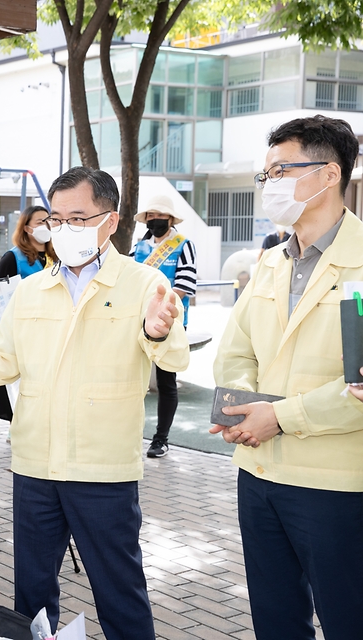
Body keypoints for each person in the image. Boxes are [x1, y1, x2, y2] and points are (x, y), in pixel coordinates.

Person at [0, 166, 189, 639]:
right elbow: (0, 362)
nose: (64, 229)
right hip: (35, 468)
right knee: (31, 593)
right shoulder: (32, 289)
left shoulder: (144, 284)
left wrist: (157, 330)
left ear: (112, 219)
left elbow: (175, 356)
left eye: (79, 218)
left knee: (119, 591)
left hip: (101, 470)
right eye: (58, 219)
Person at [210, 115, 363, 640]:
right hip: (258, 475)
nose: (269, 184)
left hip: (335, 484)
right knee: (275, 621)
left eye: (281, 170)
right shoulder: (271, 262)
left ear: (327, 175)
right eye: (266, 174)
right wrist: (242, 410)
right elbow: (235, 351)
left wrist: (280, 415)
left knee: (348, 618)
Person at [130, 193, 197, 458]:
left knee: (166, 380)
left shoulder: (183, 244)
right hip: (137, 321)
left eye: (160, 216)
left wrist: (161, 308)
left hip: (170, 322)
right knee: (132, 378)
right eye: (150, 216)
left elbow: (186, 285)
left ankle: (161, 439)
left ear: (171, 219)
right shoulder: (139, 247)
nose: (155, 220)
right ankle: (132, 434)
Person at [0, 204, 56, 421]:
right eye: (40, 222)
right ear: (27, 229)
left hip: (53, 331)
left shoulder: (57, 257)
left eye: (49, 220)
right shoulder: (13, 258)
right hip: (23, 333)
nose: (46, 225)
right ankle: (17, 423)